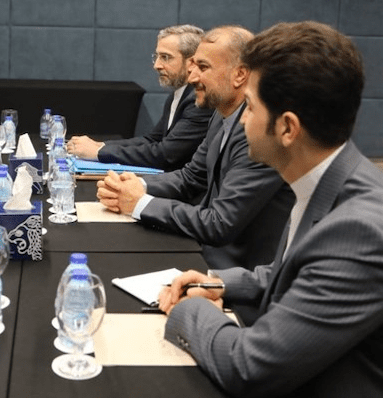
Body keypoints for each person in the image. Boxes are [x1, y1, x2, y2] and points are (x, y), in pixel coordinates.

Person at [158, 21, 383, 397]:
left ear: (288, 128)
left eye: (249, 106)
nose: (241, 119)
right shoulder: (330, 178)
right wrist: (221, 283)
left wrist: (185, 312)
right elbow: (299, 270)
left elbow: (249, 368)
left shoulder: (358, 231)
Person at [97, 26, 294, 271]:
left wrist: (139, 202)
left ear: (240, 75)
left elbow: (219, 223)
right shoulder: (220, 115)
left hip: (236, 273)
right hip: (204, 250)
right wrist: (137, 185)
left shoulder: (258, 132)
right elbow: (191, 176)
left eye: (203, 67)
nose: (191, 78)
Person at [68, 24, 213, 171]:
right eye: (156, 57)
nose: (157, 65)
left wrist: (99, 153)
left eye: (165, 57)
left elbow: (166, 154)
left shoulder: (198, 101)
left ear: (192, 62)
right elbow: (152, 140)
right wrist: (100, 145)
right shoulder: (178, 95)